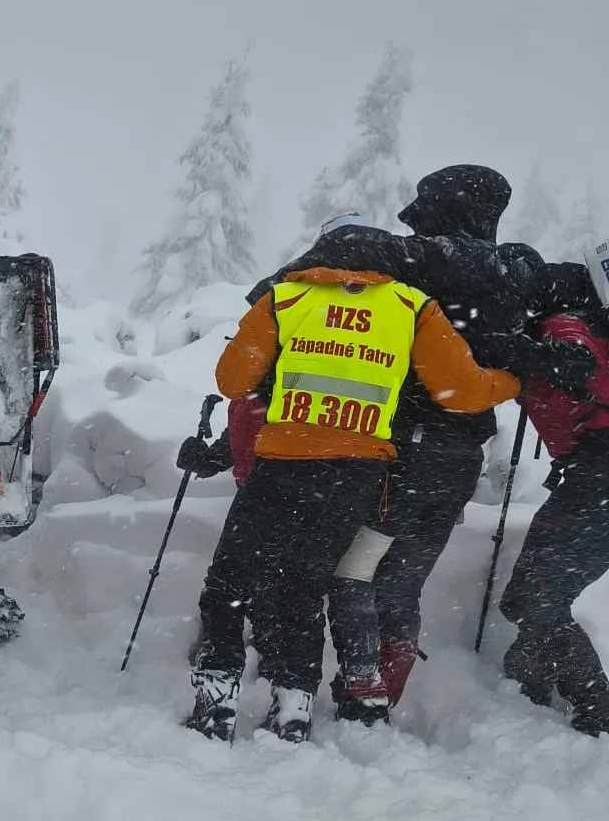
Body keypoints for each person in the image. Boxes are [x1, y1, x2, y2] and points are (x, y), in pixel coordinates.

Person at [253, 175, 594, 714]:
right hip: (460, 464)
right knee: (403, 582)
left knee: (354, 570)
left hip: (402, 455)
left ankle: (362, 687)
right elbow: (580, 288)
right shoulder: (521, 270)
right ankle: (385, 686)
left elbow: (314, 267)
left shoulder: (404, 259)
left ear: (434, 212)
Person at [187, 257, 518, 742]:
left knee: (228, 584)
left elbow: (232, 381)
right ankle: (293, 709)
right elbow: (461, 393)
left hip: (284, 463)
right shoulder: (410, 305)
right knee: (302, 588)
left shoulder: (287, 296)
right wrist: (513, 378)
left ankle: (216, 706)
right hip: (356, 474)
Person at [497, 250, 609, 736]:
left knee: (536, 596)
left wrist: (504, 348)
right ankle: (529, 682)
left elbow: (574, 363)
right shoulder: (554, 322)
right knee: (528, 594)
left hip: (600, 476)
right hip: (590, 475)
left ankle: (595, 711)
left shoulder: (559, 320)